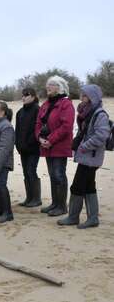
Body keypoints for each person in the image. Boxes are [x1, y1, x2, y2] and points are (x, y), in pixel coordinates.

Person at [58, 85, 111, 228]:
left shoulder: (99, 114)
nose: (82, 97)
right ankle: (92, 218)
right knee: (88, 187)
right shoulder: (87, 112)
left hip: (91, 158)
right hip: (87, 157)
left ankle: (73, 217)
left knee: (77, 187)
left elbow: (101, 136)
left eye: (85, 95)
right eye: (82, 95)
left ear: (93, 97)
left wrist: (84, 146)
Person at [36, 76, 75, 217]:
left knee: (59, 174)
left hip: (59, 145)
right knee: (52, 175)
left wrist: (51, 140)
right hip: (46, 146)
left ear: (60, 87)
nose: (48, 87)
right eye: (47, 84)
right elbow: (38, 124)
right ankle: (55, 203)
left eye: (52, 84)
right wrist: (39, 138)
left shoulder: (66, 104)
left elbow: (66, 126)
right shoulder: (45, 105)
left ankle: (62, 206)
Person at [15, 87, 42, 207]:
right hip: (22, 149)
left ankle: (36, 198)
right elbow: (18, 130)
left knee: (31, 171)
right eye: (23, 95)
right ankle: (29, 197)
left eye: (26, 95)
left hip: (33, 148)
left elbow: (38, 129)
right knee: (26, 172)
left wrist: (30, 142)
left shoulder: (38, 110)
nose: (23, 97)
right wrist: (18, 144)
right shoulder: (20, 112)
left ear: (33, 96)